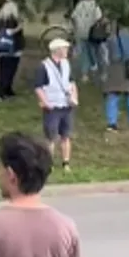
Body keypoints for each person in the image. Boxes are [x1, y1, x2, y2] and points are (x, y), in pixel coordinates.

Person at [34, 38, 79, 172]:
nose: (66, 51)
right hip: (52, 106)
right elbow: (38, 87)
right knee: (51, 137)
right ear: (57, 50)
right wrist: (46, 102)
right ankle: (49, 164)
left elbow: (72, 82)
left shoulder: (66, 64)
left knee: (66, 135)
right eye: (64, 49)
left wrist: (75, 97)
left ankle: (66, 163)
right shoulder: (44, 66)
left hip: (66, 105)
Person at [102, 17, 129, 133]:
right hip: (128, 69)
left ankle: (111, 124)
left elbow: (105, 57)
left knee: (112, 95)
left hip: (114, 68)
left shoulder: (111, 40)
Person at [0, 0, 24, 101]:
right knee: (10, 69)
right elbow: (17, 32)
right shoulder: (14, 20)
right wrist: (15, 30)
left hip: (2, 48)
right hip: (13, 48)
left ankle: (6, 89)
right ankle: (1, 89)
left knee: (3, 68)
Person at [68, 0, 103, 82]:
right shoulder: (95, 5)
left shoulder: (79, 5)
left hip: (80, 32)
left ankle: (85, 74)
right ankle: (94, 69)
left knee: (83, 53)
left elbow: (73, 17)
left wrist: (76, 27)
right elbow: (99, 18)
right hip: (92, 33)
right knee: (93, 51)